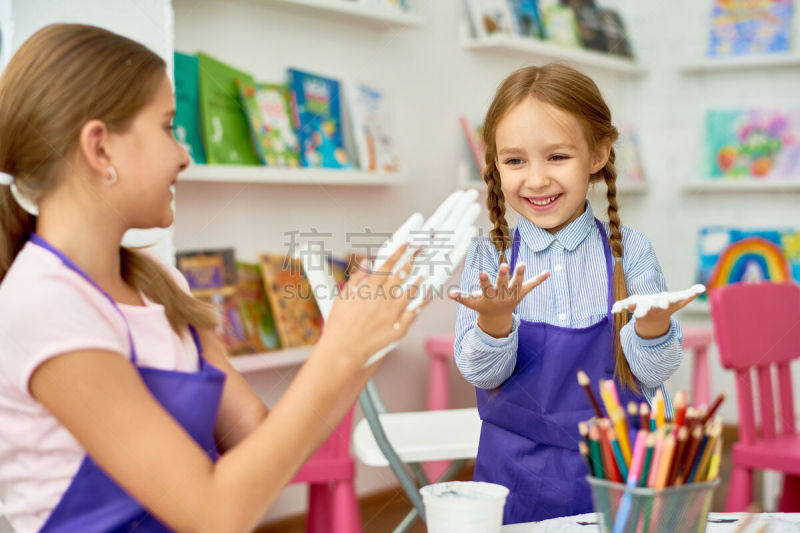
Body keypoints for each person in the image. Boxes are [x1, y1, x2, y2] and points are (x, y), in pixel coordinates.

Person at [0, 24, 428, 532]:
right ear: (100, 148)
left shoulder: (158, 283)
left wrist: (366, 338)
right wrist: (341, 349)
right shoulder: (44, 306)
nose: (184, 154)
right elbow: (213, 513)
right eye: (166, 127)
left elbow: (262, 444)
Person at [448, 64, 697, 524]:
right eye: (515, 160)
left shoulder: (631, 253)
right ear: (494, 163)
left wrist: (653, 326)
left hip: (617, 477)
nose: (536, 180)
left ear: (599, 154)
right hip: (515, 479)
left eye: (557, 157)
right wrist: (495, 322)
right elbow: (480, 374)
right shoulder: (489, 258)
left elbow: (653, 371)